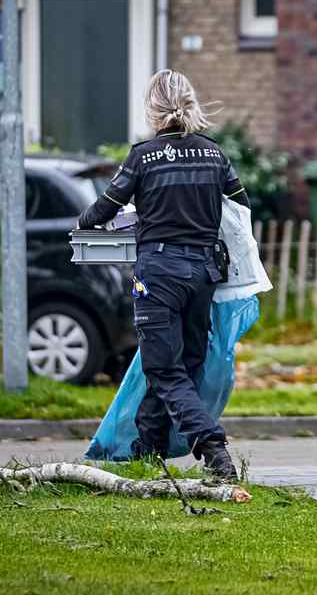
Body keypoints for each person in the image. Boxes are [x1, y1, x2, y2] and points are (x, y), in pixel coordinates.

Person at [76, 69, 248, 479]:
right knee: (185, 363)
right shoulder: (214, 153)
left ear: (153, 108)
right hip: (205, 272)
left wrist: (86, 221)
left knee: (162, 369)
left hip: (159, 273)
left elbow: (101, 212)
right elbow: (241, 206)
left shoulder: (142, 156)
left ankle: (213, 447)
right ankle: (147, 448)